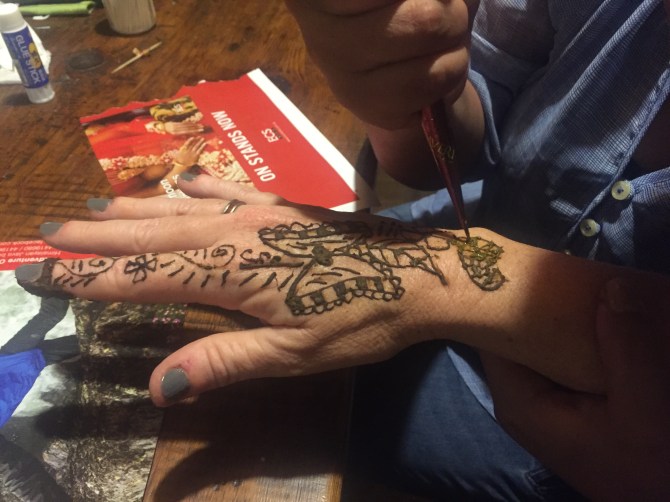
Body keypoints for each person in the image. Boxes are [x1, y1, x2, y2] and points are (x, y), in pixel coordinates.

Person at [13, 0, 669, 499]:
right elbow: (478, 131)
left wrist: (434, 272)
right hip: (461, 240)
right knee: (199, 303)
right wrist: (399, 93)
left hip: (594, 444)